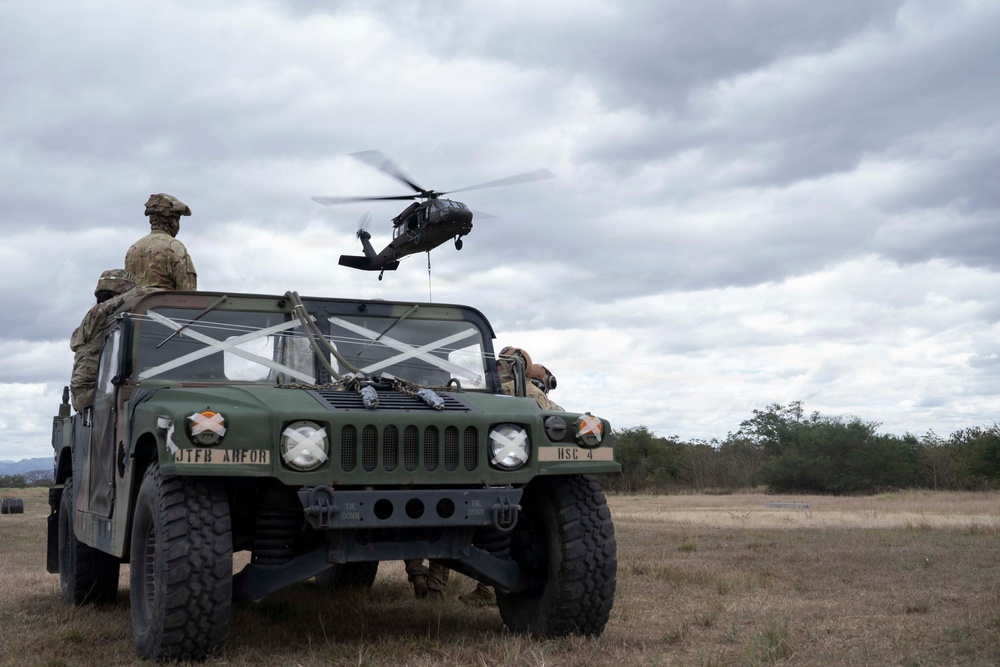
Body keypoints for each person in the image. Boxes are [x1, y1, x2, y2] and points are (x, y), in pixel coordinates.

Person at [69, 270, 146, 411]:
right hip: (90, 395)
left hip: (87, 394)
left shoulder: (95, 319)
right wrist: (152, 290)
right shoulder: (97, 313)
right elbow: (127, 298)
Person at [125, 193, 197, 290]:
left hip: (139, 305)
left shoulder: (134, 248)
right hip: (167, 304)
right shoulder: (175, 247)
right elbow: (187, 293)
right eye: (178, 219)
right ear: (173, 221)